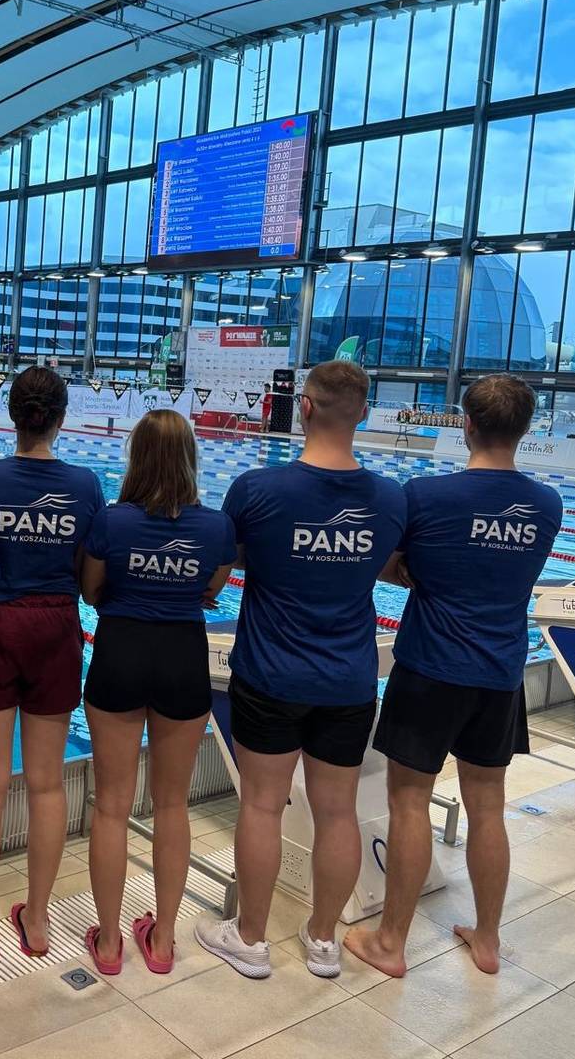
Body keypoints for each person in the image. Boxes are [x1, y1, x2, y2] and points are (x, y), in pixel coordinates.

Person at [195, 360, 406, 979]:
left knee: (262, 807)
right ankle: (323, 942)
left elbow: (223, 568)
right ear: (363, 413)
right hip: (348, 680)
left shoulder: (256, 490)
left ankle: (250, 939)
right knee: (337, 812)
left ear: (304, 408)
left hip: (271, 675)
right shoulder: (390, 498)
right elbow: (395, 567)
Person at [345, 375, 562, 978]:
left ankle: (391, 943)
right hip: (500, 671)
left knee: (409, 801)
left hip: (430, 668)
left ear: (465, 424)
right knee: (488, 806)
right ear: (526, 430)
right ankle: (487, 940)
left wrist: (416, 570)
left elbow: (387, 564)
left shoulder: (424, 496)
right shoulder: (547, 505)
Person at [0, 366, 104, 961]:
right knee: (46, 783)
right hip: (56, 629)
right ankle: (37, 920)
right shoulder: (85, 486)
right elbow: (88, 579)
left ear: (12, 415)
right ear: (60, 419)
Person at [81, 410, 236, 975]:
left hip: (120, 651)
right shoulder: (217, 528)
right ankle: (164, 940)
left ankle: (108, 944)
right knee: (173, 804)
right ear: (191, 459)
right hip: (181, 658)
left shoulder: (111, 521)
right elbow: (210, 589)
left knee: (111, 805)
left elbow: (91, 589)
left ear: (136, 457)